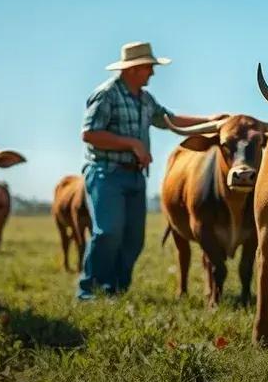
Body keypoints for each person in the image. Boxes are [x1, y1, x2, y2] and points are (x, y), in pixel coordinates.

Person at [77, 41, 225, 300]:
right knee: (108, 231)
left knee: (134, 238)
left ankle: (116, 290)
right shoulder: (106, 94)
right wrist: (132, 143)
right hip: (106, 173)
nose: (153, 73)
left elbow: (170, 120)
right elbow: (89, 134)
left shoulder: (145, 100)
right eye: (149, 68)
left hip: (135, 175)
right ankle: (90, 292)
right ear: (134, 69)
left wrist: (211, 121)